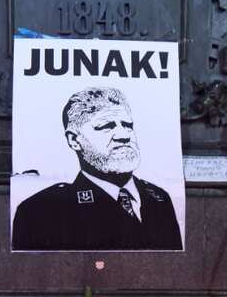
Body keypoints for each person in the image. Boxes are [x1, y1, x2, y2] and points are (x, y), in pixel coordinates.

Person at [12, 86, 182, 251]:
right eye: (106, 127)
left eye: (128, 125)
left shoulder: (159, 199)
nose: (123, 136)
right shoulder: (40, 212)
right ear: (74, 140)